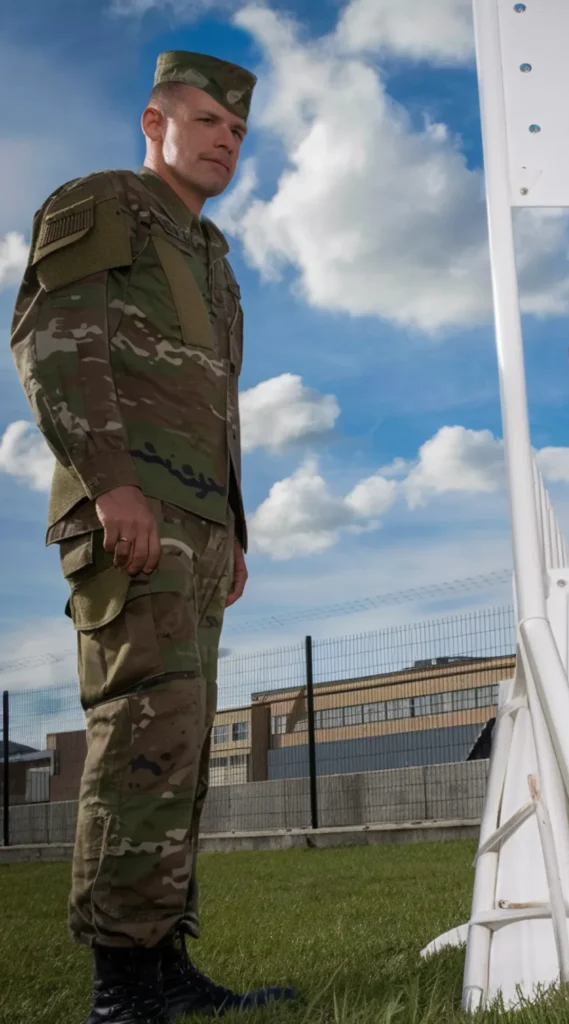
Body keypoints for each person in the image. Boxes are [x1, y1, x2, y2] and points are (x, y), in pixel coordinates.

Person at [9, 51, 295, 1023]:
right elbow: (53, 343)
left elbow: (214, 407)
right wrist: (112, 483)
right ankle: (121, 991)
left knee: (177, 751)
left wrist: (234, 527)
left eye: (237, 130)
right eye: (207, 119)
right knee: (138, 733)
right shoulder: (101, 203)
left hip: (199, 529)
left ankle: (166, 963)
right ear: (154, 120)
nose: (225, 139)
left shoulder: (213, 260)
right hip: (129, 510)